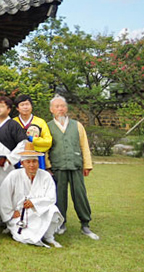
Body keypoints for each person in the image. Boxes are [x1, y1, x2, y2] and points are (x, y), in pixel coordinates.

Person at [47, 95, 99, 240]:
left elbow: (84, 146)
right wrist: (48, 166)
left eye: (62, 106)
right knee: (59, 196)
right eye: (57, 106)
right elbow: (45, 148)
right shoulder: (48, 126)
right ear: (51, 109)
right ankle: (61, 223)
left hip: (76, 165)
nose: (60, 109)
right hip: (58, 166)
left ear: (66, 108)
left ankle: (85, 224)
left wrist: (87, 164)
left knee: (80, 194)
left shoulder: (77, 125)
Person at [0, 142, 64, 248]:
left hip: (38, 211)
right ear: (22, 163)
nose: (31, 165)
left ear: (38, 163)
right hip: (20, 214)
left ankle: (48, 236)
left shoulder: (45, 176)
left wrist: (34, 203)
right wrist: (10, 212)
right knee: (23, 237)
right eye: (28, 162)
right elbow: (3, 195)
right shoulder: (14, 175)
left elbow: (51, 197)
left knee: (53, 210)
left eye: (34, 161)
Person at [0, 96, 28, 200]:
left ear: (9, 109)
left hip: (7, 166)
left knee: (7, 191)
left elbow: (23, 143)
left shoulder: (13, 125)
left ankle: (9, 215)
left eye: (1, 106)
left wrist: (9, 159)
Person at [13, 94, 52, 170]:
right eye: (22, 105)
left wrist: (32, 139)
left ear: (31, 106)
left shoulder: (40, 122)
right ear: (17, 108)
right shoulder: (13, 122)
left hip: (37, 158)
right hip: (18, 158)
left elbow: (48, 141)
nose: (25, 107)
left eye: (27, 104)